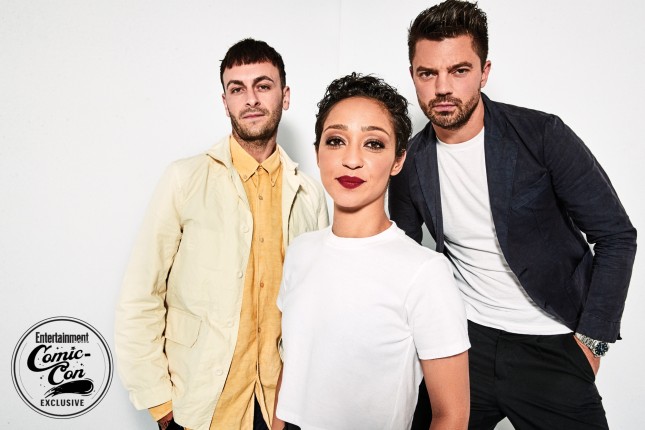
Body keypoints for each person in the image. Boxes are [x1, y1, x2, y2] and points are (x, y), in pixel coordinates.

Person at [388, 1, 638, 429]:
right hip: (464, 342)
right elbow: (404, 259)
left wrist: (592, 342)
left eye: (459, 70)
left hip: (552, 345)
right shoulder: (411, 162)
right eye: (427, 74)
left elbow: (616, 235)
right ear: (413, 75)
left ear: (484, 72)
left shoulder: (541, 136)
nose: (442, 88)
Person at [115, 38, 329, 430]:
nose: (251, 99)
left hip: (280, 407)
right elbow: (141, 295)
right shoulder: (185, 180)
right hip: (203, 407)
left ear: (285, 96)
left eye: (263, 86)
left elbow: (315, 307)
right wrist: (160, 405)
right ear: (225, 101)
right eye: (237, 89)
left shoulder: (309, 194)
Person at [272, 73, 470, 430]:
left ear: (398, 160)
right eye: (336, 141)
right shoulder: (301, 252)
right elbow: (293, 370)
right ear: (317, 153)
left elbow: (452, 416)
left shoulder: (425, 273)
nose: (352, 160)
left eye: (374, 144)